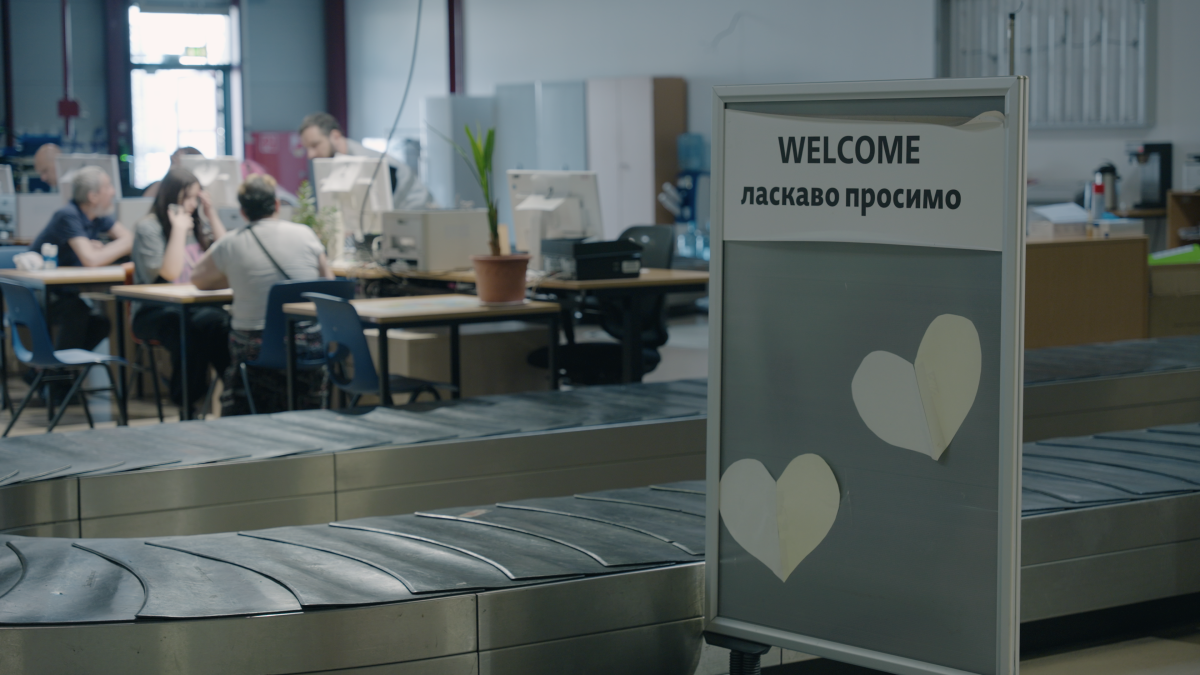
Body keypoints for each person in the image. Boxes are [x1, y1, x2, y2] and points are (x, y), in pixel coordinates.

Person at [192, 174, 333, 415]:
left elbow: (198, 279)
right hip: (309, 345)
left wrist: (236, 277)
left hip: (257, 347)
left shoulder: (231, 243)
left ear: (243, 212)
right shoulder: (305, 234)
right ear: (277, 205)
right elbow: (327, 283)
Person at [130, 167, 230, 416]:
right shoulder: (149, 228)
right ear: (170, 196)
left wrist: (211, 215)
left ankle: (235, 391)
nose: (191, 205)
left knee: (220, 324)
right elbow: (169, 274)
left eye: (196, 198)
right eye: (186, 198)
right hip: (154, 311)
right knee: (189, 330)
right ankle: (187, 402)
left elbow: (229, 253)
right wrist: (177, 230)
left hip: (193, 305)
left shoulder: (197, 223)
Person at [30, 165, 133, 351]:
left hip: (64, 293)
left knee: (101, 323)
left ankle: (57, 374)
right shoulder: (67, 215)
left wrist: (106, 249)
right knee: (77, 311)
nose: (113, 192)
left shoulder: (99, 216)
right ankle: (56, 375)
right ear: (93, 197)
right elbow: (91, 260)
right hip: (37, 295)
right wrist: (114, 247)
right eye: (108, 187)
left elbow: (128, 239)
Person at [298, 112, 433, 209]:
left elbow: (381, 208)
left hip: (420, 215)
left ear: (335, 136)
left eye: (315, 145)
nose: (310, 154)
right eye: (307, 148)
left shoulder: (368, 161)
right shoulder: (336, 163)